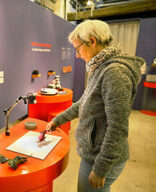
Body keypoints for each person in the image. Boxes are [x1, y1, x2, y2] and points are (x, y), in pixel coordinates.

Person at [46, 20, 145, 192]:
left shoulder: (114, 73)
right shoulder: (99, 68)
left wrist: (101, 168)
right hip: (94, 151)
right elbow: (83, 103)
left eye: (77, 49)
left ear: (92, 41)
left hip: (101, 157)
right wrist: (58, 119)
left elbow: (118, 127)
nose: (77, 55)